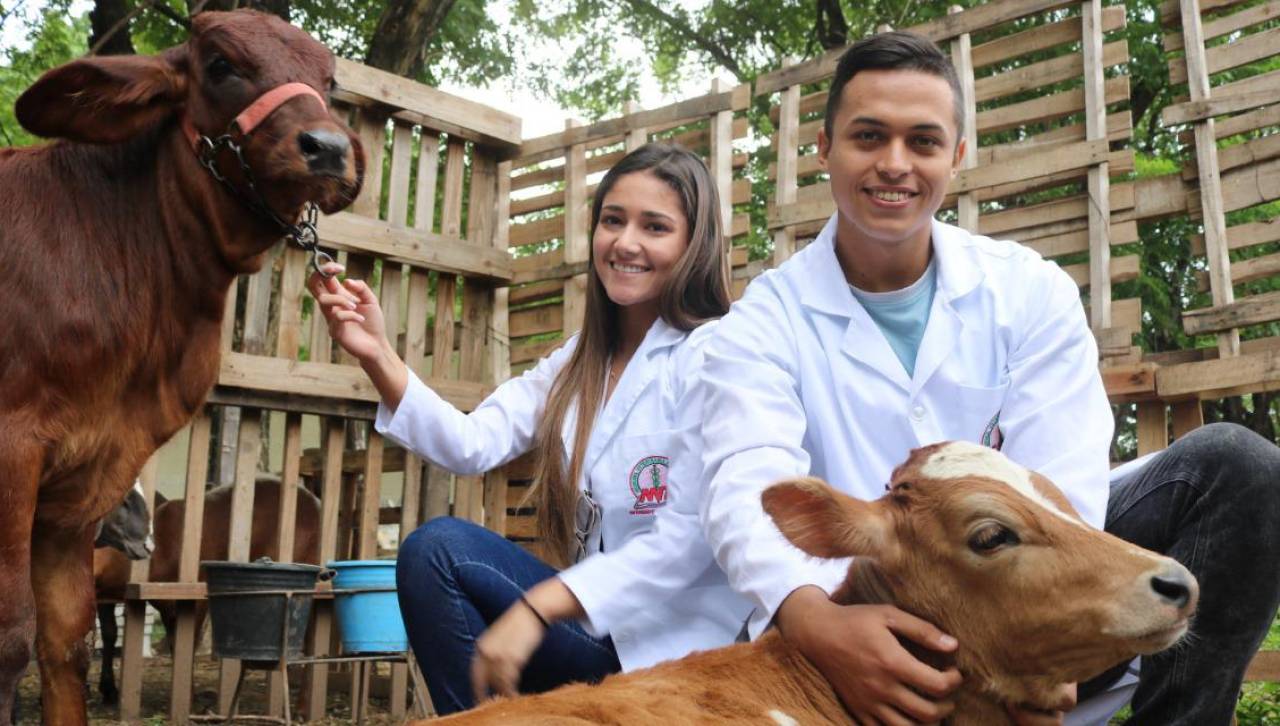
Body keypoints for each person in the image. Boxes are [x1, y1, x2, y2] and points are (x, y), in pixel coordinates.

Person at [697, 31, 1280, 726]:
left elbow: (1061, 491)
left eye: (923, 141)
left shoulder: (1027, 289)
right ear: (823, 149)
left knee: (1238, 466)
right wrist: (816, 622)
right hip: (861, 622)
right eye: (868, 136)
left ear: (958, 157)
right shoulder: (760, 322)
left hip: (1016, 586)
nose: (894, 164)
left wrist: (1041, 648)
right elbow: (747, 483)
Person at [308, 142, 753, 715]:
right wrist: (376, 355)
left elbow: (691, 536)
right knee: (433, 552)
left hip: (671, 645)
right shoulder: (577, 361)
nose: (626, 243)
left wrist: (541, 603)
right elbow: (471, 444)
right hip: (597, 632)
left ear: (694, 245)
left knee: (441, 549)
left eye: (655, 226)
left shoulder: (715, 354)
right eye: (612, 221)